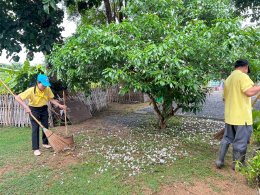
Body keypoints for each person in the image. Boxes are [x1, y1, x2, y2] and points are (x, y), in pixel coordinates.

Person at [216, 59, 260, 169]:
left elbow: (225, 98)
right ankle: (238, 165)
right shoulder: (242, 76)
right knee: (241, 141)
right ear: (245, 67)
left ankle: (219, 161)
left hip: (230, 116)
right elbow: (249, 92)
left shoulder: (229, 79)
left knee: (226, 138)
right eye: (247, 69)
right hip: (242, 117)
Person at [15, 74, 66, 156]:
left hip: (43, 109)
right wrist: (25, 107)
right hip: (33, 109)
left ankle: (45, 143)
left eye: (46, 85)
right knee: (35, 128)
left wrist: (59, 105)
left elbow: (50, 98)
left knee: (45, 126)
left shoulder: (47, 89)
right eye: (43, 85)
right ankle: (35, 148)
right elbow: (17, 97)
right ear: (38, 83)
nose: (45, 87)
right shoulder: (31, 90)